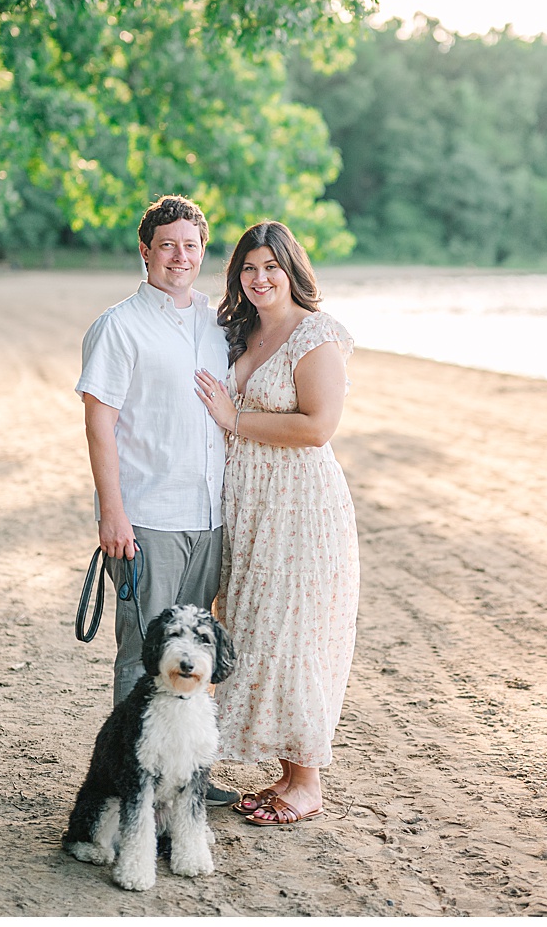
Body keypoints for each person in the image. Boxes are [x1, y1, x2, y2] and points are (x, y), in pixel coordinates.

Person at [75, 193, 241, 808]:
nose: (179, 256)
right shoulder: (119, 326)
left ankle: (185, 777)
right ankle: (127, 789)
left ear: (203, 252)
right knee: (144, 655)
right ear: (145, 251)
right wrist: (112, 514)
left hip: (210, 516)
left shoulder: (214, 322)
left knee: (193, 654)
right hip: (148, 517)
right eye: (166, 245)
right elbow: (100, 425)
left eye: (190, 246)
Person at [193, 221, 360, 826]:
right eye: (248, 268)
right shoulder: (242, 335)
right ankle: (286, 773)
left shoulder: (315, 334)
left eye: (271, 266)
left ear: (293, 270)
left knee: (294, 634)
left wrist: (233, 419)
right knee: (257, 630)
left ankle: (308, 782)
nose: (260, 278)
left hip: (300, 506)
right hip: (249, 505)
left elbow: (317, 428)